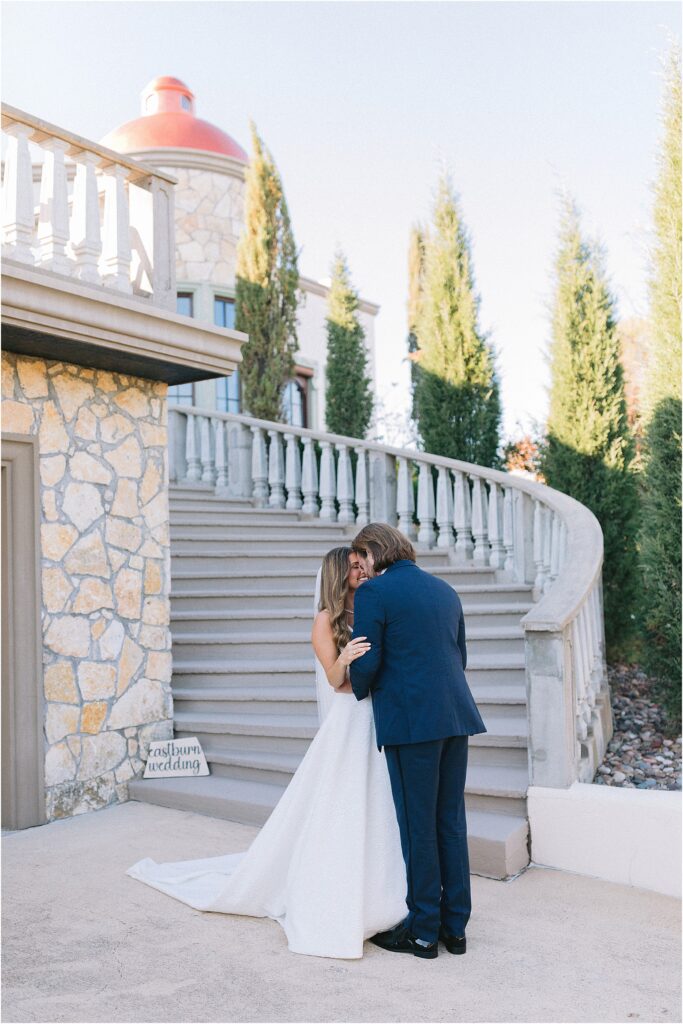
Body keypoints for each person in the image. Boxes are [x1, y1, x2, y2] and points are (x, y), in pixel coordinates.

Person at [125, 546, 407, 959]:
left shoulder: (372, 608)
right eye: (353, 566)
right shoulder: (324, 622)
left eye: (362, 564)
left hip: (378, 713)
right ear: (336, 574)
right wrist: (345, 657)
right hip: (349, 716)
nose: (362, 569)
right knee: (342, 800)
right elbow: (333, 680)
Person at [349, 522, 487, 960]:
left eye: (361, 560)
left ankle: (424, 932)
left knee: (418, 826)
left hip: (412, 722)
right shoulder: (445, 590)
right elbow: (459, 655)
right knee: (450, 822)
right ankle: (456, 928)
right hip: (455, 716)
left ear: (373, 553)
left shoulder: (375, 593)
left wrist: (353, 685)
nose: (362, 570)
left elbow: (367, 658)